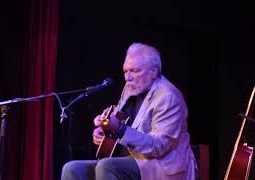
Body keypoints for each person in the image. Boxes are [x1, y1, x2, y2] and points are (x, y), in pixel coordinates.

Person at [61, 42, 198, 180]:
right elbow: (121, 118)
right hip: (130, 159)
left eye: (135, 71)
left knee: (107, 166)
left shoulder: (168, 97)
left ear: (154, 72)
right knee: (72, 169)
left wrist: (119, 128)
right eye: (125, 71)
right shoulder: (130, 88)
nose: (128, 77)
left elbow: (157, 146)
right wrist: (105, 130)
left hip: (160, 165)